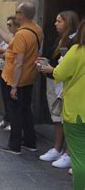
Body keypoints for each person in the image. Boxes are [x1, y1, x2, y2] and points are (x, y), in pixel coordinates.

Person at [39, 19, 85, 190]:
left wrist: (52, 68)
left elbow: (59, 73)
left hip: (78, 111)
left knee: (80, 156)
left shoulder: (77, 50)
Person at [0, 2, 43, 155]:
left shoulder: (21, 34)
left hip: (16, 78)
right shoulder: (37, 29)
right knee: (26, 110)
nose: (16, 14)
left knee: (15, 112)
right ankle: (30, 142)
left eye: (17, 12)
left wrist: (14, 86)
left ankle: (14, 145)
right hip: (29, 76)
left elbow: (18, 62)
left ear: (22, 15)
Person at [0, 15, 20, 132]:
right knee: (5, 96)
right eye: (7, 24)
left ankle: (12, 121)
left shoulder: (18, 37)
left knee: (11, 98)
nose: (8, 27)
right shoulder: (8, 37)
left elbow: (8, 50)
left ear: (17, 26)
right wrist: (5, 51)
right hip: (3, 68)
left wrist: (5, 52)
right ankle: (7, 118)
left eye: (10, 25)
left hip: (12, 70)